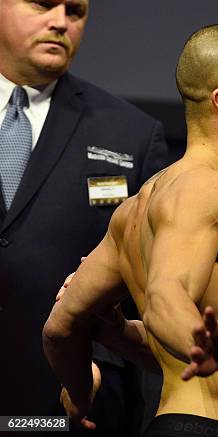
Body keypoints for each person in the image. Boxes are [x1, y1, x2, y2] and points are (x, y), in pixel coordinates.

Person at [44, 24, 218, 437]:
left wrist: (79, 388)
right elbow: (167, 292)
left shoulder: (133, 212)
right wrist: (195, 340)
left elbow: (60, 327)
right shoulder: (205, 187)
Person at [0, 0, 167, 434]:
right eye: (41, 4)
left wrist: (100, 364)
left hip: (65, 401)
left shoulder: (130, 134)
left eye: (74, 11)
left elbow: (145, 282)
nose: (60, 21)